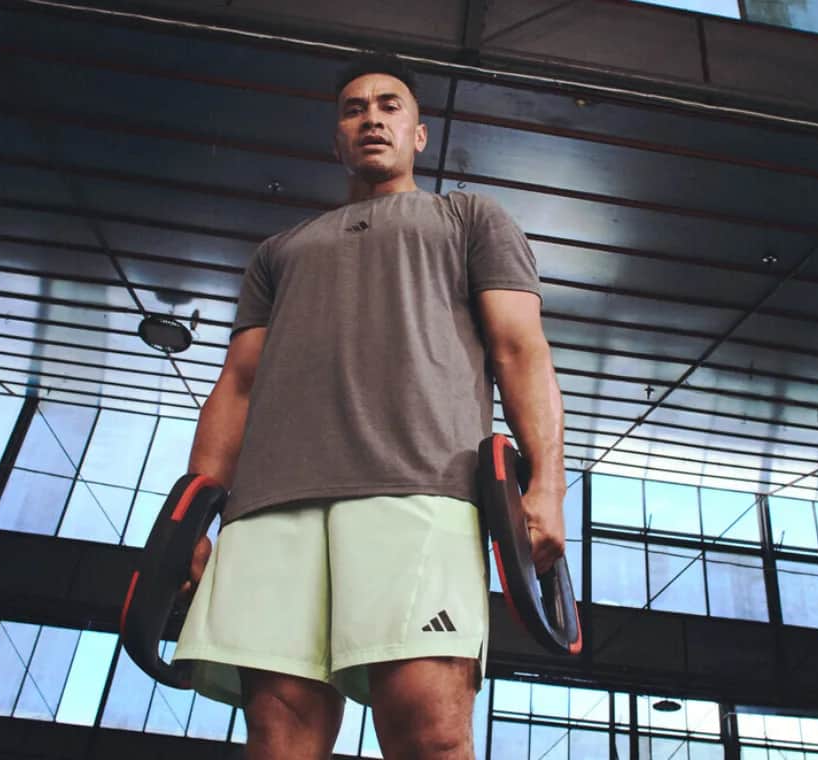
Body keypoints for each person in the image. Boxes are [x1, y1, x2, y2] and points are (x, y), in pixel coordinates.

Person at [172, 53, 566, 759]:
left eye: (389, 105)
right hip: (270, 505)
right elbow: (236, 384)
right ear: (337, 141)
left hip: (418, 488)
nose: (372, 117)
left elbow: (520, 349)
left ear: (418, 133)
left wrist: (548, 486)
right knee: (278, 731)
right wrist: (191, 520)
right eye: (354, 109)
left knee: (431, 727)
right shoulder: (280, 251)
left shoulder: (468, 216)